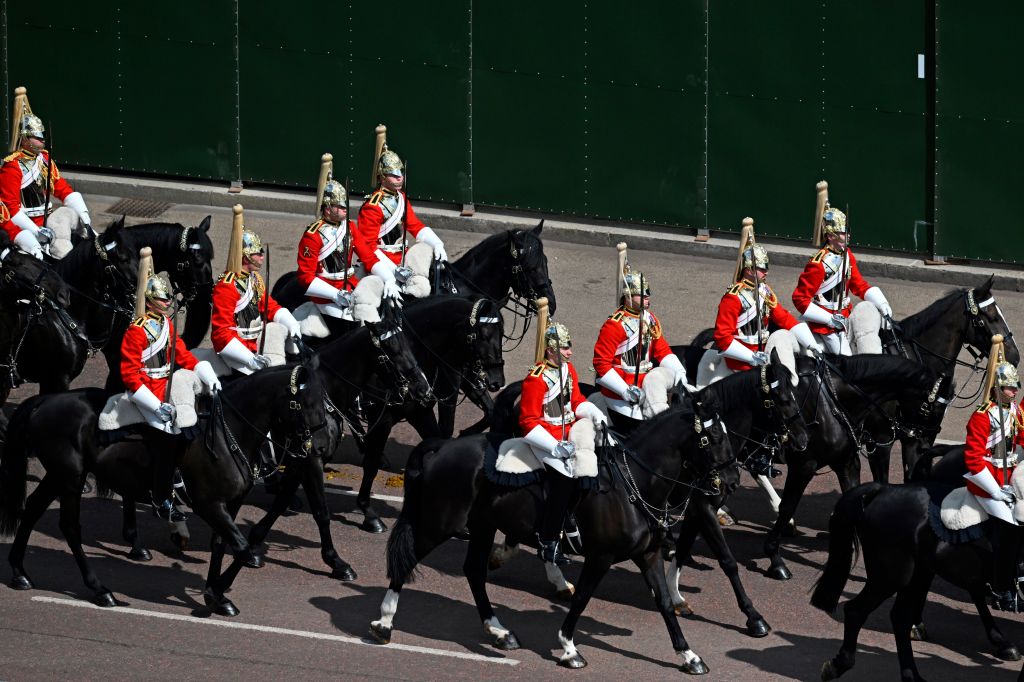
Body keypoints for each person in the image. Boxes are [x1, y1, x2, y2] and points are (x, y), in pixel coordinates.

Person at [121, 265, 220, 521]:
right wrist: (155, 406)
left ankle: (181, 476)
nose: (167, 303)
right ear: (151, 300)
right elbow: (130, 374)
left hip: (166, 385)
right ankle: (160, 499)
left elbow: (182, 354)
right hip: (145, 391)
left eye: (168, 298)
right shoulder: (136, 329)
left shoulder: (165, 323)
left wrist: (203, 370)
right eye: (163, 299)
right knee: (167, 438)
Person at [520, 322, 607, 566]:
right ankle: (548, 541)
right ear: (551, 350)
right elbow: (528, 420)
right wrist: (554, 446)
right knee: (564, 480)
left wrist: (594, 413)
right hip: (544, 438)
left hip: (567, 432)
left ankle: (570, 517)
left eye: (569, 348)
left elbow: (576, 401)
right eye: (565, 348)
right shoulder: (536, 379)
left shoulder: (568, 370)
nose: (570, 352)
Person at [963, 344, 1024, 611]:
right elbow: (973, 460)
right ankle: (1000, 589)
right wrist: (996, 491)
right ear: (997, 388)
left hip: (1009, 475)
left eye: (1016, 387)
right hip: (986, 481)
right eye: (1010, 388)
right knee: (1010, 528)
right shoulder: (981, 417)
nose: (1015, 391)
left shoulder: (1015, 412)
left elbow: (1021, 439)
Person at [593, 271, 689, 434]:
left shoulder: (650, 319)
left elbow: (662, 350)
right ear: (628, 296)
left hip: (649, 382)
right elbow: (601, 364)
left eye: (647, 294)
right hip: (623, 388)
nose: (647, 298)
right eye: (642, 295)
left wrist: (679, 372)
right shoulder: (614, 326)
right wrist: (624, 391)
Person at [1, 92, 92, 258]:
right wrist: (36, 231)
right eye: (37, 136)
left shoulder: (44, 158)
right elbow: (11, 209)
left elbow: (62, 188)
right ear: (25, 139)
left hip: (48, 217)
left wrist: (84, 217)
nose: (42, 140)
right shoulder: (12, 166)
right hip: (27, 224)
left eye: (42, 135)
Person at [792, 203, 892, 355]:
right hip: (827, 326)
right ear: (831, 236)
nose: (849, 235)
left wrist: (881, 303)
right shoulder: (817, 265)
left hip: (847, 315)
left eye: (848, 231)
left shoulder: (847, 254)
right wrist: (829, 319)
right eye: (844, 232)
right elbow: (800, 299)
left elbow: (859, 285)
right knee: (847, 359)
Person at [715, 233, 821, 373]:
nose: (766, 272)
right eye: (762, 269)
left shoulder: (764, 291)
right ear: (748, 270)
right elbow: (722, 337)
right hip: (741, 362)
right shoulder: (733, 297)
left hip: (764, 354)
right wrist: (751, 356)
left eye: (766, 268)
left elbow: (783, 318)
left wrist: (811, 344)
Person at [354, 141, 447, 300]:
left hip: (403, 255)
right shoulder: (372, 207)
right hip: (382, 261)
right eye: (393, 174)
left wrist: (437, 243)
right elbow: (367, 247)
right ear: (382, 177)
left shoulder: (401, 198)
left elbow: (415, 226)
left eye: (401, 173)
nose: (399, 178)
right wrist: (392, 271)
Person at [213, 224, 301, 374]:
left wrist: (291, 323)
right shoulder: (226, 286)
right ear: (246, 256)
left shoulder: (255, 279)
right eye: (258, 253)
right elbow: (220, 333)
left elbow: (270, 307)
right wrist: (249, 359)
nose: (262, 256)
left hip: (256, 344)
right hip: (237, 352)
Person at [298, 172, 360, 326]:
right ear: (327, 208)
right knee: (349, 326)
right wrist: (334, 294)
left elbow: (367, 254)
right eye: (339, 205)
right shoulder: (312, 235)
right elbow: (306, 277)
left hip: (351, 285)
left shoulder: (350, 226)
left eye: (345, 204)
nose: (345, 208)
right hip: (326, 294)